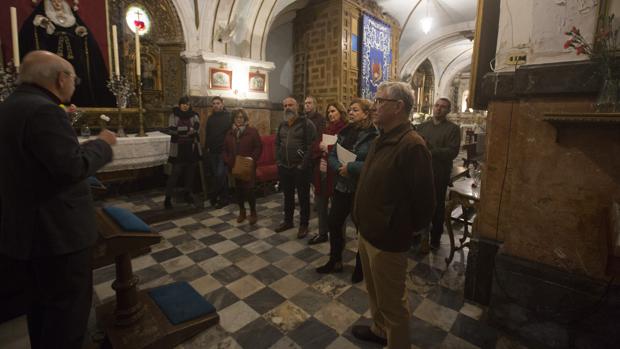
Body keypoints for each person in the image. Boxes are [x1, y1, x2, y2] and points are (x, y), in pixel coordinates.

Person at [0, 50, 116, 348]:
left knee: (41, 312)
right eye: (73, 78)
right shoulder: (44, 111)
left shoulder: (11, 106)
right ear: (61, 78)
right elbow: (73, 167)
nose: (74, 83)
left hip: (26, 230)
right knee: (66, 317)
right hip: (57, 234)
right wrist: (102, 144)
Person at [352, 81, 435, 348]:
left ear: (398, 107)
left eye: (380, 101)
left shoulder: (412, 145)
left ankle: (397, 342)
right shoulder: (382, 138)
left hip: (388, 238)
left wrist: (403, 229)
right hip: (369, 231)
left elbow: (425, 202)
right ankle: (380, 330)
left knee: (393, 302)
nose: (374, 106)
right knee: (375, 291)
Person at [315, 99, 378, 285]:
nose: (350, 112)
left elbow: (373, 162)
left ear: (366, 113)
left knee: (361, 229)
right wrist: (339, 168)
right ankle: (335, 260)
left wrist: (350, 168)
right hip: (342, 186)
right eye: (349, 109)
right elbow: (333, 154)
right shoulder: (344, 132)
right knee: (334, 222)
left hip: (361, 188)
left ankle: (361, 266)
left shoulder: (375, 135)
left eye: (355, 110)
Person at [19, 0, 115, 107]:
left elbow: (90, 49)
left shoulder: (74, 21)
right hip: (50, 76)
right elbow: (32, 41)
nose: (57, 3)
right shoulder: (38, 21)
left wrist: (82, 36)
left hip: (76, 75)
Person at [416, 98, 461, 250]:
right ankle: (418, 234)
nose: (439, 109)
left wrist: (430, 150)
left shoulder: (453, 129)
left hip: (439, 173)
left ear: (448, 110)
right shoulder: (422, 127)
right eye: (437, 106)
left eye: (443, 107)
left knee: (437, 206)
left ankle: (435, 236)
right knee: (419, 203)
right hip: (421, 171)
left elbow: (452, 152)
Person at [274, 96, 317, 238]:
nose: (287, 108)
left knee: (304, 198)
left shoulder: (307, 124)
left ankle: (304, 225)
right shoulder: (282, 125)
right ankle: (288, 221)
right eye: (285, 105)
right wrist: (279, 161)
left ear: (297, 107)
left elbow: (312, 146)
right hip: (285, 167)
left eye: (290, 105)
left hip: (301, 168)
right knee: (287, 196)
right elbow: (277, 144)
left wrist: (302, 165)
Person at [308, 102, 348, 245]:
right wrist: (320, 147)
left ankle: (340, 238)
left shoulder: (345, 129)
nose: (331, 114)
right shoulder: (326, 129)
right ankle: (322, 233)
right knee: (320, 205)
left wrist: (329, 147)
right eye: (329, 112)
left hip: (336, 174)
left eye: (333, 111)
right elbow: (315, 147)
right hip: (322, 172)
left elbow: (345, 151)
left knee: (337, 210)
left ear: (340, 112)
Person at [223, 109, 263, 224]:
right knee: (238, 191)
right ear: (233, 119)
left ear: (245, 119)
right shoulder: (230, 133)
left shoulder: (252, 131)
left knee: (249, 190)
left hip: (248, 166)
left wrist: (252, 159)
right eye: (237, 117)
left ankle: (253, 212)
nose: (239, 119)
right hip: (234, 166)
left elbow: (258, 147)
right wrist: (228, 160)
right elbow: (224, 150)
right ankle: (242, 212)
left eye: (241, 117)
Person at [164, 96, 201, 209]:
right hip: (178, 149)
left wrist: (184, 131)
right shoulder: (173, 115)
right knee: (175, 173)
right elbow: (171, 130)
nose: (185, 106)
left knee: (190, 173)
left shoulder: (194, 115)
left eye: (187, 104)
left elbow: (197, 128)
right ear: (179, 105)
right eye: (183, 104)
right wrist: (187, 130)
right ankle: (168, 198)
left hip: (191, 148)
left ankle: (187, 193)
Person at [205, 96, 232, 208]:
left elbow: (231, 134)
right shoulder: (210, 118)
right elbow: (208, 134)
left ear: (222, 104)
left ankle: (213, 197)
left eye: (218, 103)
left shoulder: (229, 117)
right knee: (217, 175)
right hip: (212, 151)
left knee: (221, 174)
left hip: (223, 151)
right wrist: (206, 147)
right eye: (214, 104)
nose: (216, 105)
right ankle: (224, 198)